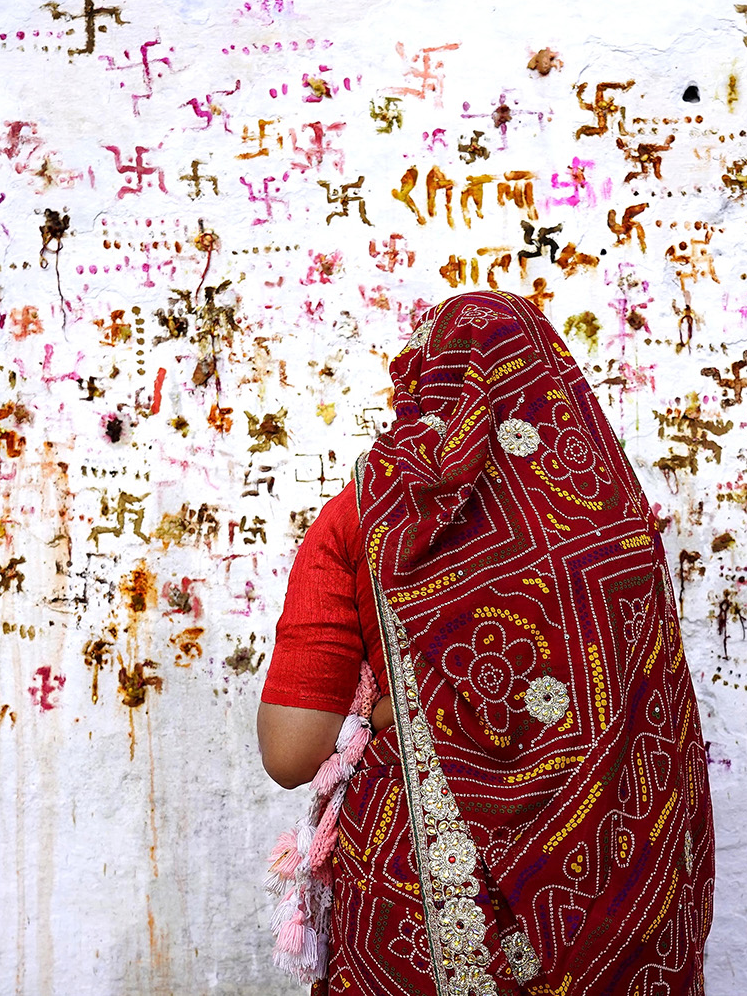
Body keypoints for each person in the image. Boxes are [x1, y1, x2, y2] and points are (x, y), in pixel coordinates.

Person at [258, 289, 715, 996]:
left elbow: (290, 752)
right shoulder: (613, 520)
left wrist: (392, 713)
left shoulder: (363, 515)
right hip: (605, 892)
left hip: (421, 906)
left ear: (423, 382)